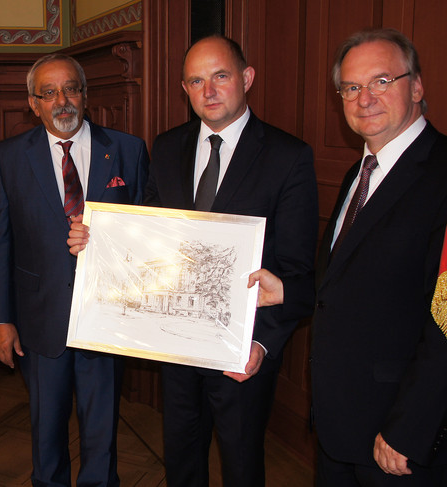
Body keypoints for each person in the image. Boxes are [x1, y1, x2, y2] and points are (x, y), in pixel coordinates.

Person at [142, 36, 318, 487]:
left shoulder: (288, 156)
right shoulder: (165, 148)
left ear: (246, 78)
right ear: (184, 89)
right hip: (176, 343)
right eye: (196, 80)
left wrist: (260, 346)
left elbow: (296, 270)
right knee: (181, 459)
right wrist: (99, 238)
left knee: (241, 463)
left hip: (243, 352)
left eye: (220, 76)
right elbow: (151, 239)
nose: (209, 90)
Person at [0, 53, 149, 486]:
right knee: (46, 429)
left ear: (86, 94)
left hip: (107, 318)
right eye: (49, 92)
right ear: (32, 103)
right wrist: (1, 320)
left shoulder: (128, 151)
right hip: (41, 318)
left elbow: (150, 235)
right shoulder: (8, 157)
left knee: (101, 431)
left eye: (71, 88)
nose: (63, 100)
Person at [311, 28, 447, 486]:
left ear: (417, 86)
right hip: (338, 425)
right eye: (351, 87)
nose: (364, 97)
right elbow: (348, 281)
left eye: (382, 81)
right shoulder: (360, 170)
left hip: (398, 437)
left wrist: (410, 426)